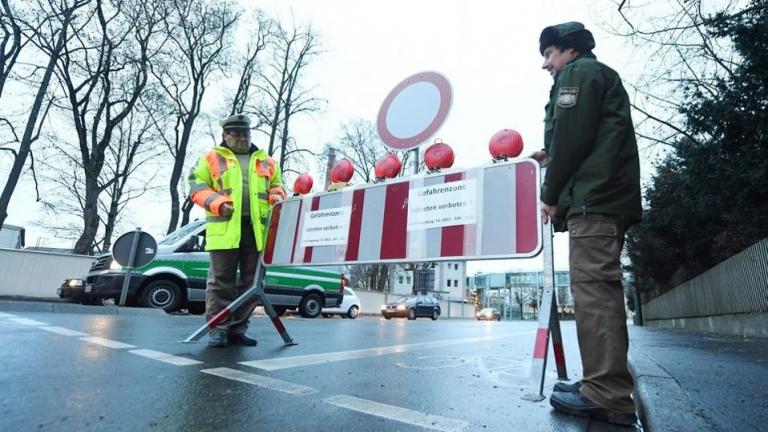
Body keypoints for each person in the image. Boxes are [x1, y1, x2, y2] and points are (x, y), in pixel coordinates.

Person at [534, 22, 642, 426]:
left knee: (594, 293)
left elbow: (573, 138)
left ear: (570, 50)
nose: (545, 64)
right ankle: (599, 382)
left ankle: (608, 394)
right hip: (602, 197)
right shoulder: (593, 76)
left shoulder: (579, 74)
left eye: (549, 54)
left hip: (594, 202)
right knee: (594, 290)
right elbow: (581, 135)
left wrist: (550, 192)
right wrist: (551, 152)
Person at [188, 113, 286, 348]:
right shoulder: (211, 157)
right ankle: (218, 329)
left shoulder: (267, 161)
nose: (242, 137)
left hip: (257, 230)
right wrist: (218, 204)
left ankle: (237, 329)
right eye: (237, 133)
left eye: (246, 133)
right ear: (225, 135)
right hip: (224, 228)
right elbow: (196, 186)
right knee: (221, 281)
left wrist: (275, 196)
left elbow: (278, 186)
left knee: (253, 283)